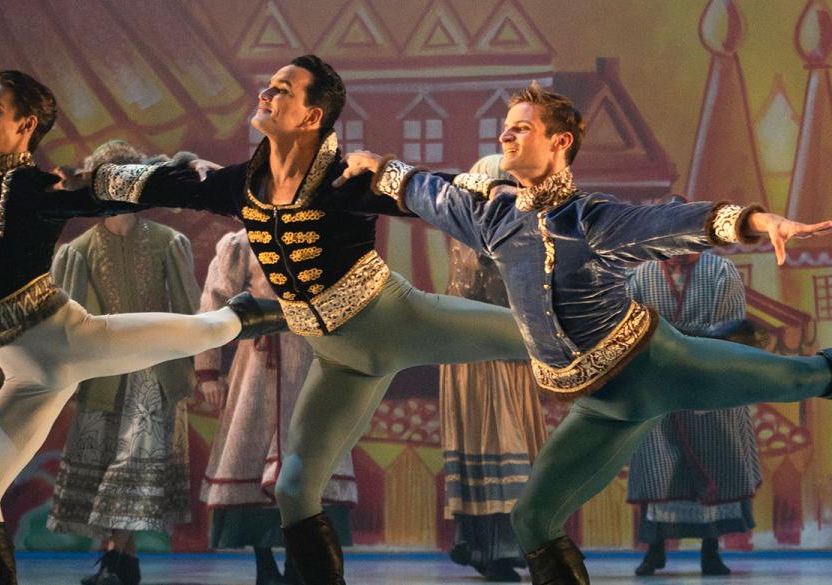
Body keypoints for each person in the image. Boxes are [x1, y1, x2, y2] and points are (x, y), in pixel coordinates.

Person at [338, 83, 832, 585]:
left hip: (654, 364)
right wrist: (379, 167)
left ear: (559, 142)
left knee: (804, 376)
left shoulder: (594, 220)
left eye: (520, 129)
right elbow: (423, 190)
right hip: (597, 404)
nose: (506, 138)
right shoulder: (492, 218)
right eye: (504, 131)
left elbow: (682, 221)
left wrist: (758, 223)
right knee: (532, 521)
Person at [69, 54, 527, 585]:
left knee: (531, 336)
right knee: (292, 491)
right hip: (335, 358)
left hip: (395, 320)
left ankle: (632, 345)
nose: (266, 94)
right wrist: (98, 180)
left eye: (283, 90)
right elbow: (171, 183)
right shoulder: (245, 184)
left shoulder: (344, 179)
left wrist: (478, 187)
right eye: (269, 86)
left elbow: (438, 195)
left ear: (312, 117)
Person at [0, 70, 284, 585]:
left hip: (69, 341)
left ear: (26, 124)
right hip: (25, 376)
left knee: (205, 329)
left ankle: (257, 313)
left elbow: (123, 187)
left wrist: (192, 176)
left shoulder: (44, 187)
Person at [46, 141, 203, 585]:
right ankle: (121, 563)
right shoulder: (77, 251)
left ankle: (116, 562)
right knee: (106, 474)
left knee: (129, 473)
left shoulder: (168, 242)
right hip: (104, 372)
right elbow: (68, 318)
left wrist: (194, 366)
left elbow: (190, 311)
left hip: (153, 374)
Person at [196, 229, 357, 585]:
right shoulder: (241, 243)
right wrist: (207, 370)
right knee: (250, 455)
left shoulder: (318, 232)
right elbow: (214, 301)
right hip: (257, 365)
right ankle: (264, 564)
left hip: (310, 360)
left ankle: (300, 564)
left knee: (308, 456)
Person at [620, 236, 760, 577]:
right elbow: (629, 329)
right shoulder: (642, 277)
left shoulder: (720, 272)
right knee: (660, 469)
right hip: (659, 386)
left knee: (714, 460)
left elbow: (727, 329)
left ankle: (711, 551)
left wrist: (668, 335)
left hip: (708, 381)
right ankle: (654, 551)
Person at [440, 155, 545, 583]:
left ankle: (489, 544)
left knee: (497, 446)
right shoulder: (482, 233)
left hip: (504, 352)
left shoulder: (496, 230)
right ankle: (493, 547)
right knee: (493, 443)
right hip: (483, 353)